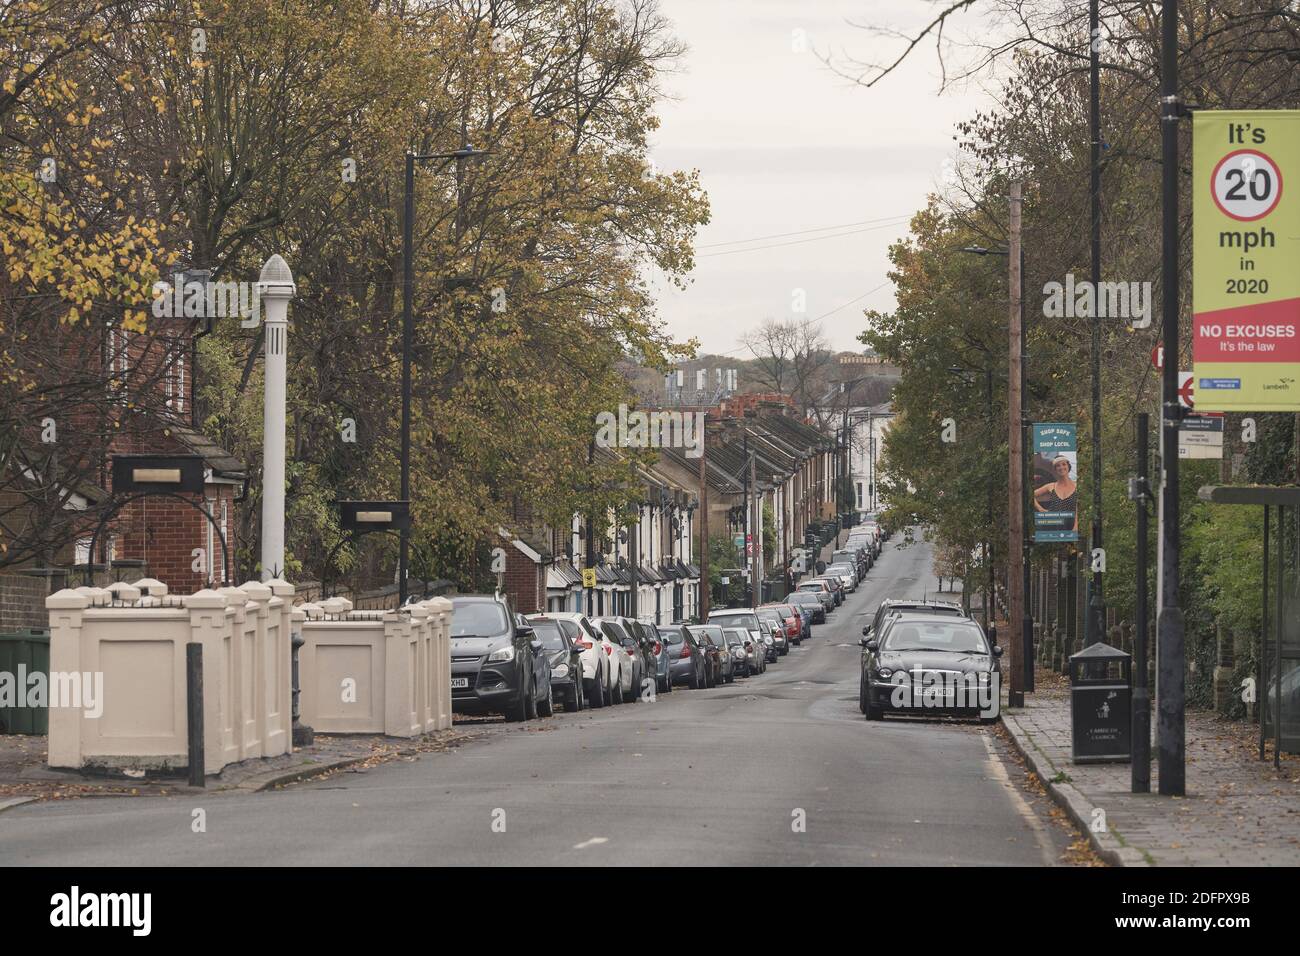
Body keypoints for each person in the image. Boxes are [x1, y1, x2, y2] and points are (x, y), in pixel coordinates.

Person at [1033, 455, 1077, 530]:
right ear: (1055, 469)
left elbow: (1078, 509)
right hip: (1051, 526)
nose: (1061, 467)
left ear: (1068, 466)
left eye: (1063, 464)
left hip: (1070, 526)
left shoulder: (1076, 486)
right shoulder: (1051, 486)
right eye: (1058, 466)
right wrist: (1041, 509)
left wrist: (1075, 527)